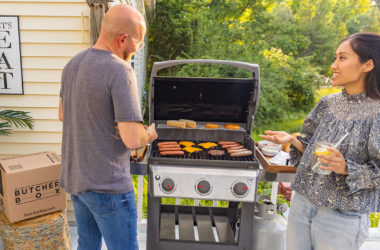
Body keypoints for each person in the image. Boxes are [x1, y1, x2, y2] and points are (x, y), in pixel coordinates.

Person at [260, 32, 380, 250]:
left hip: (342, 215)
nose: (334, 65)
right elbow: (312, 149)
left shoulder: (377, 112)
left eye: (342, 58)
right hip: (302, 204)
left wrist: (346, 168)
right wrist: (292, 140)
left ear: (367, 64)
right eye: (335, 57)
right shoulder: (328, 103)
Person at [58, 4, 157, 250]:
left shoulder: (72, 64)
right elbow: (133, 140)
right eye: (139, 43)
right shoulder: (120, 70)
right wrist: (150, 133)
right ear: (123, 39)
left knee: (88, 244)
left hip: (77, 181)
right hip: (108, 187)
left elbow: (62, 114)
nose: (138, 48)